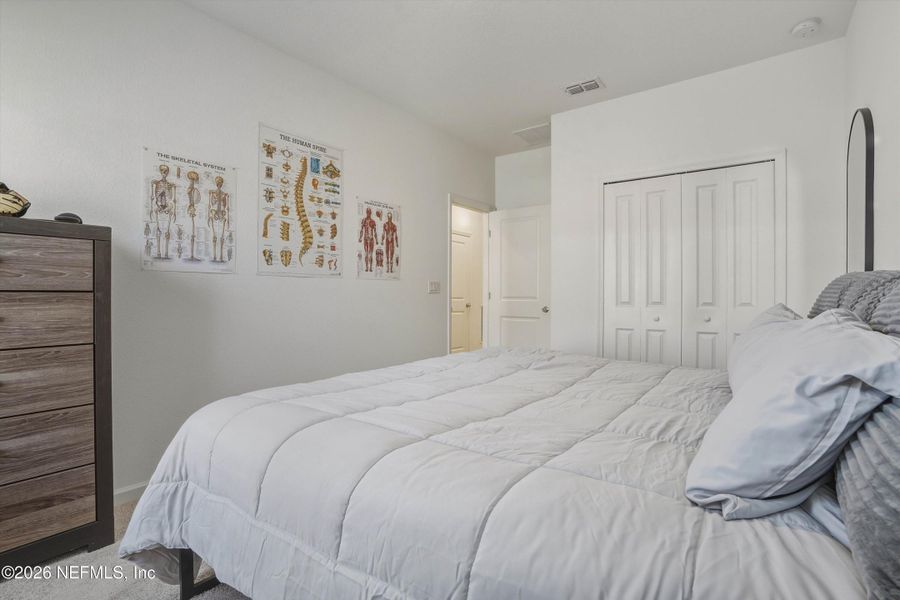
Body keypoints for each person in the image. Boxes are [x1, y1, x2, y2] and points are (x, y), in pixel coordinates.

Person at [358, 207, 378, 272]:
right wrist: (360, 237)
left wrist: (377, 240)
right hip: (366, 238)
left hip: (371, 239)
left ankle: (371, 268)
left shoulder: (373, 221)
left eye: (369, 212)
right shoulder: (364, 220)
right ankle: (367, 267)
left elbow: (375, 232)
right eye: (367, 212)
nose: (368, 213)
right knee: (366, 253)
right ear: (366, 212)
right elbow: (361, 230)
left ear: (371, 213)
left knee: (371, 254)